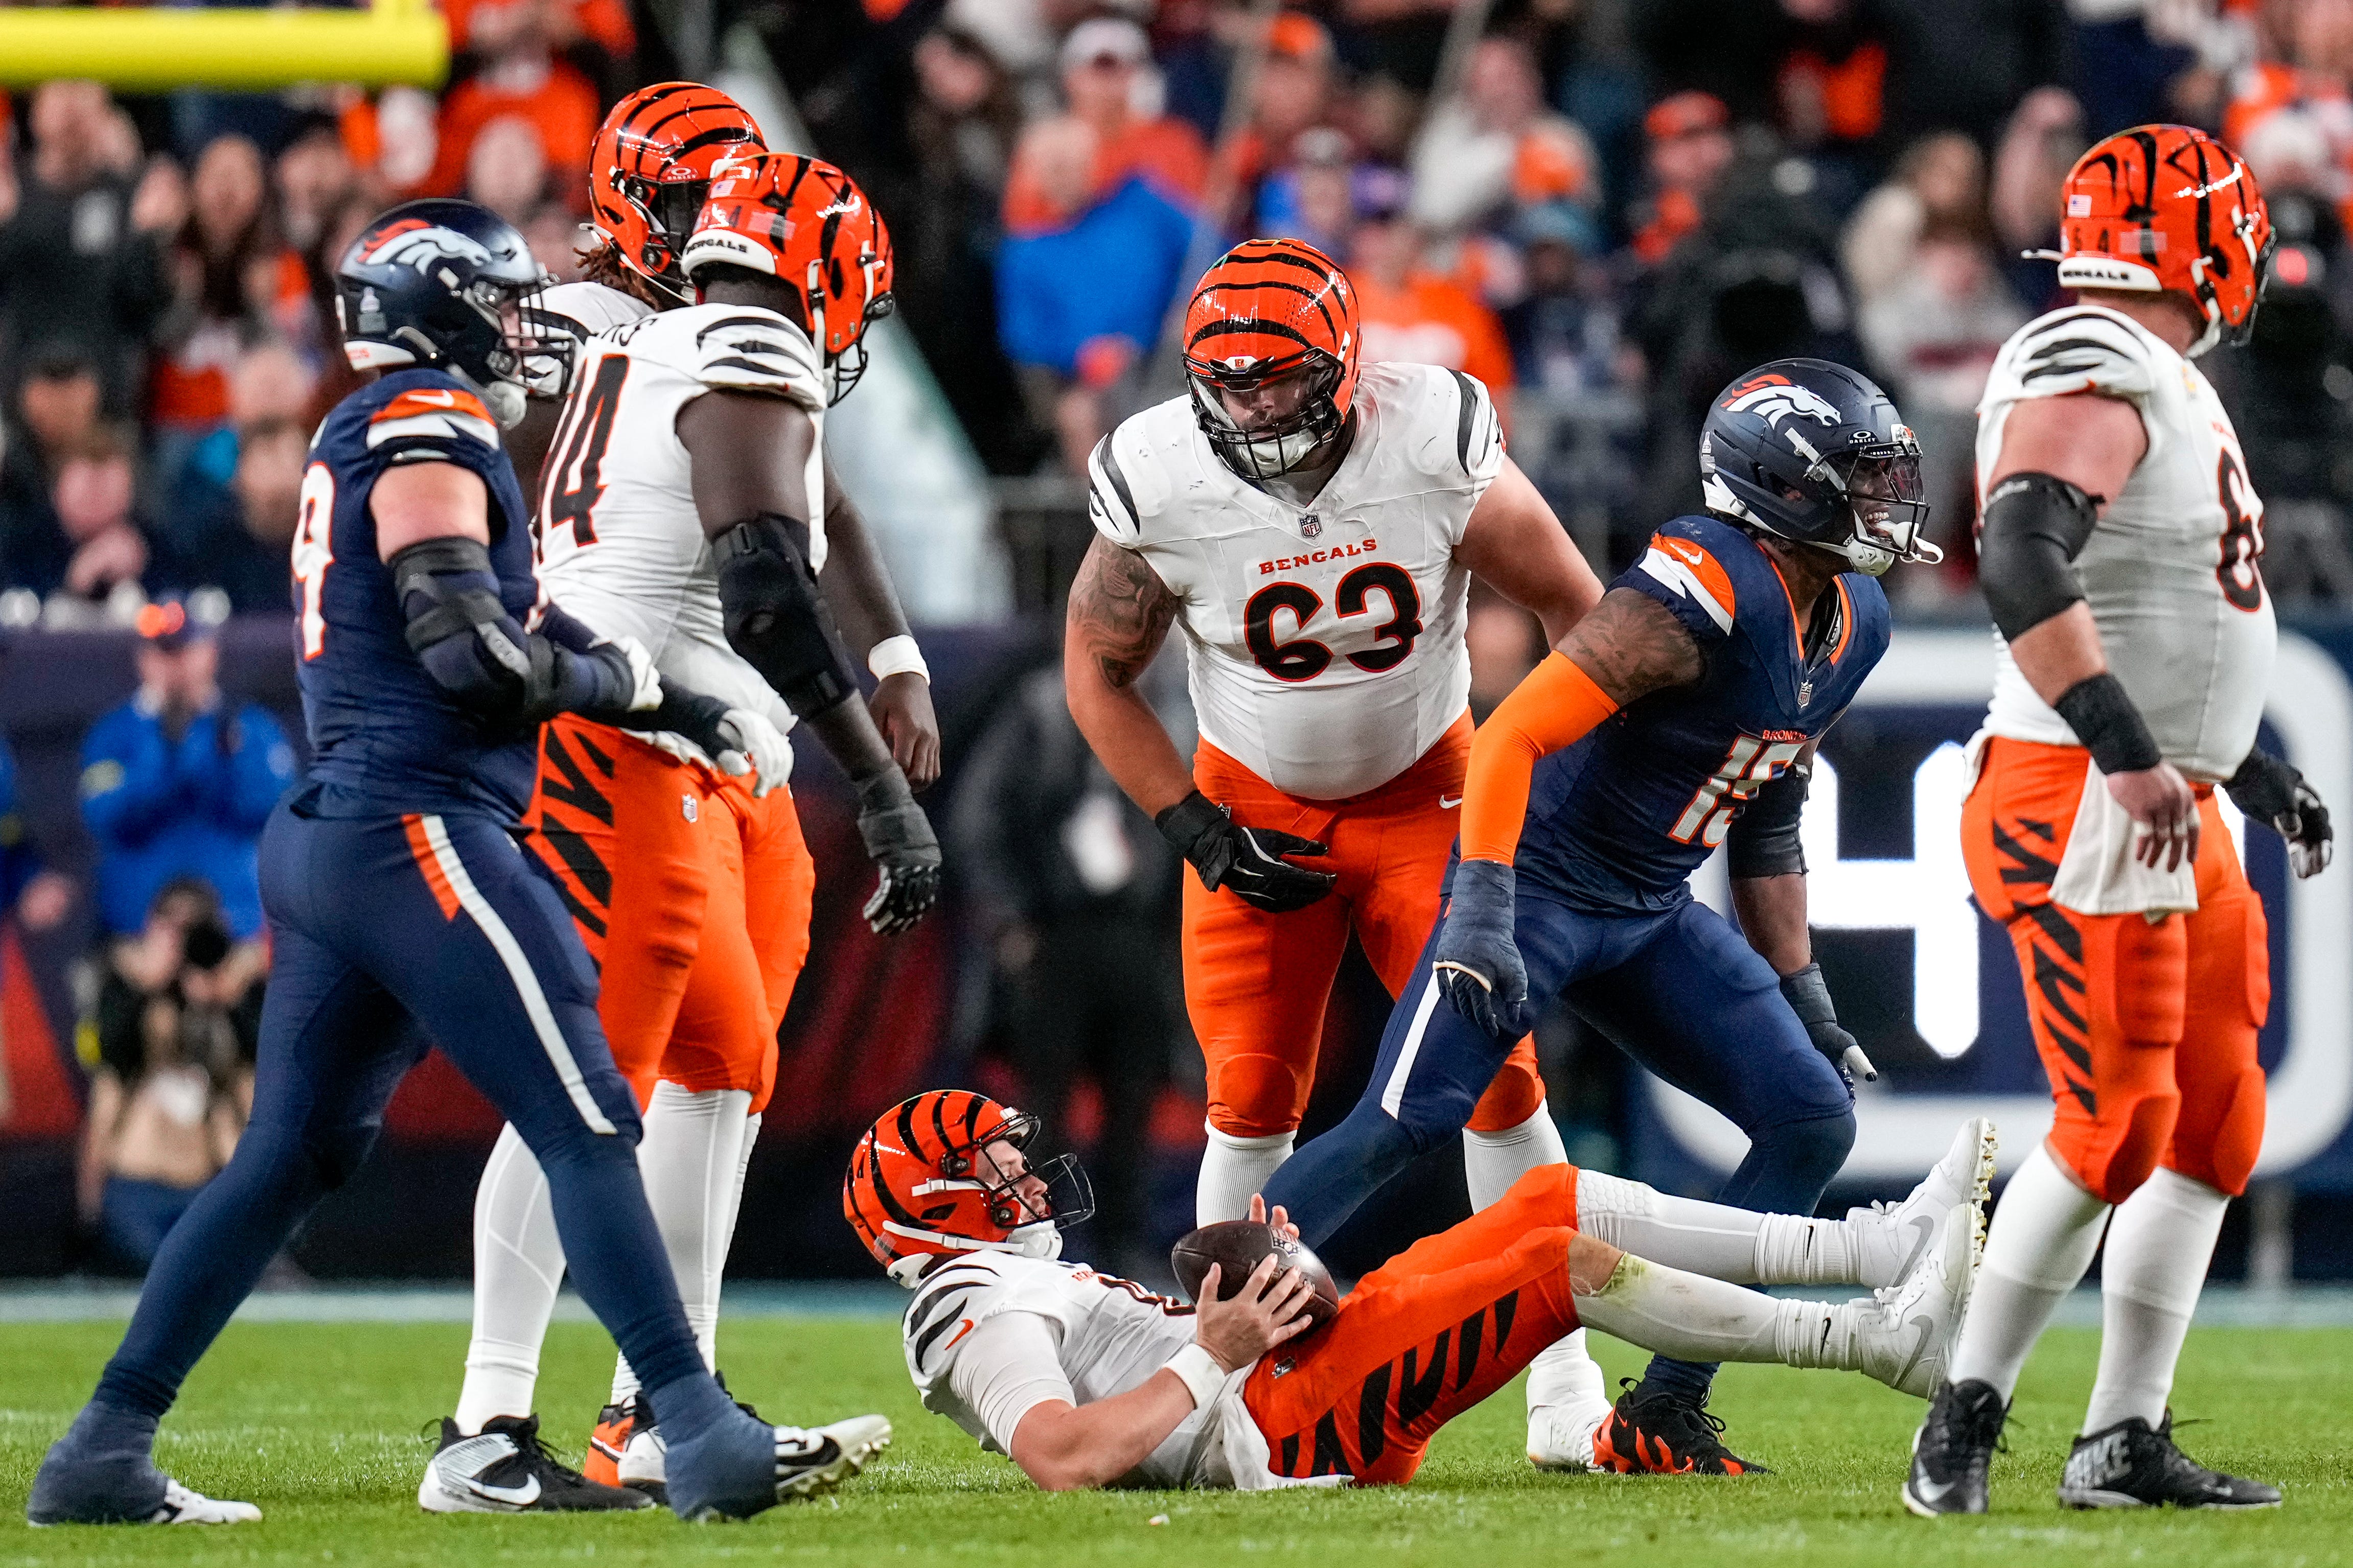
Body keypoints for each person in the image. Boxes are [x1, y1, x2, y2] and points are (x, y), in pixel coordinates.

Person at [26, 199, 889, 1528]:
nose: (520, 322)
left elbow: (517, 618)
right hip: (416, 826)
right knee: (593, 1116)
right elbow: (471, 648)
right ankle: (695, 1428)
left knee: (288, 1158)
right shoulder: (427, 421)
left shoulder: (370, 428)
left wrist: (674, 704)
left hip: (338, 833)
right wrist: (608, 674)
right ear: (435, 312)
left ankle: (101, 1447)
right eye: (496, 298)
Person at [1263, 358, 1943, 1475]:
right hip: (1534, 886)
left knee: (1811, 1117)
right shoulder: (1700, 585)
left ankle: (1662, 1410)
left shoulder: (1851, 616)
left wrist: (1803, 986)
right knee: (1403, 1122)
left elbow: (1767, 800)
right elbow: (1517, 732)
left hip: (1647, 906)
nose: (1885, 501)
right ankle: (1180, 1355)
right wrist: (1481, 907)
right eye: (1862, 478)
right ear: (1784, 483)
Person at [432, 91, 944, 1513]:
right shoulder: (704, 331)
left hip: (694, 740)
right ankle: (486, 1425)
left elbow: (805, 512)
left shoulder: (670, 329)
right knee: (584, 1085)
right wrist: (880, 784)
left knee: (721, 1065)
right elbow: (765, 576)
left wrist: (889, 656)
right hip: (625, 730)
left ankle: (667, 1407)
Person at [1063, 236, 1612, 1470]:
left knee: (1498, 1075)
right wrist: (1192, 826)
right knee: (1249, 1092)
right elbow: (1094, 677)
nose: (1251, 400)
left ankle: (1562, 1390)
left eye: (1276, 375)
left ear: (1345, 366)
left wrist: (1553, 780)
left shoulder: (1430, 434)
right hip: (1250, 801)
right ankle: (1214, 1394)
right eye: (1228, 378)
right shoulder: (1157, 474)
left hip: (1430, 798)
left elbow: (1580, 610)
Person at [1905, 125, 2331, 1518]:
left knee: (2214, 1114)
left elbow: (2167, 608)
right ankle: (1958, 1421)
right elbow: (2023, 547)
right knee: (2117, 1121)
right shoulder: (2087, 354)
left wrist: (2229, 761)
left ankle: (2119, 1439)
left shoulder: (2154, 370)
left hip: (2162, 791)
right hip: (2082, 792)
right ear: (2201, 242)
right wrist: (2129, 750)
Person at [846, 1091, 1987, 1492]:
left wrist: (1260, 1299)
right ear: (932, 1199)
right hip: (1276, 1429)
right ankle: (1875, 1342)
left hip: (1283, 1383)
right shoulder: (965, 1305)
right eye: (991, 1163)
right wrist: (1219, 1348)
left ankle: (1874, 1251)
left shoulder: (1010, 1274)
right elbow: (1062, 1454)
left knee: (1548, 1198)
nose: (1020, 1173)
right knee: (1560, 1270)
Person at [80, 601, 296, 945]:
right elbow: (104, 815)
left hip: (235, 928)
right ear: (144, 659)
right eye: (164, 652)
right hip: (140, 932)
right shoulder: (114, 734)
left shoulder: (248, 727)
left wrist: (219, 756)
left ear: (210, 652)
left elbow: (276, 810)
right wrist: (162, 754)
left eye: (185, 650)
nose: (175, 664)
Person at [77, 879, 259, 1270]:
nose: (183, 944)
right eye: (172, 929)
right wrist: (148, 986)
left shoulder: (228, 989)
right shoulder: (122, 981)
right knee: (146, 1269)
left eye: (194, 930)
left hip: (208, 1182)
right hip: (137, 1183)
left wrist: (226, 999)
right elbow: (107, 1061)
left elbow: (257, 1075)